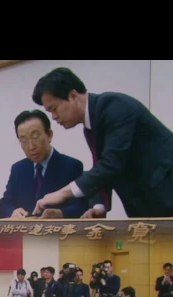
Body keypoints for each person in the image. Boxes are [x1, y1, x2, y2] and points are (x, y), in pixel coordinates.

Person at [31, 67, 173, 218]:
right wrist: (98, 206)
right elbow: (101, 165)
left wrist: (63, 193)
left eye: (54, 109)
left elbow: (112, 163)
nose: (54, 117)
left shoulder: (115, 107)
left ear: (73, 96)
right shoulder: (92, 124)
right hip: (148, 207)